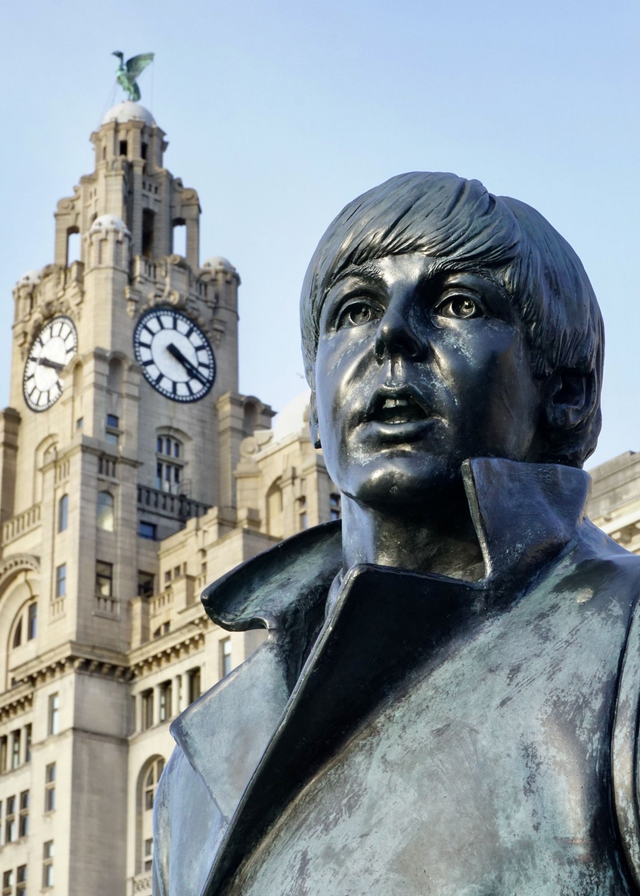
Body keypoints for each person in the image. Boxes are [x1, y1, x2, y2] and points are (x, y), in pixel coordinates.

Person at [153, 172, 640, 896]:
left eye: (457, 304)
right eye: (353, 309)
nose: (391, 338)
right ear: (314, 413)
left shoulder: (622, 641)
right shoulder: (199, 765)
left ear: (563, 391)